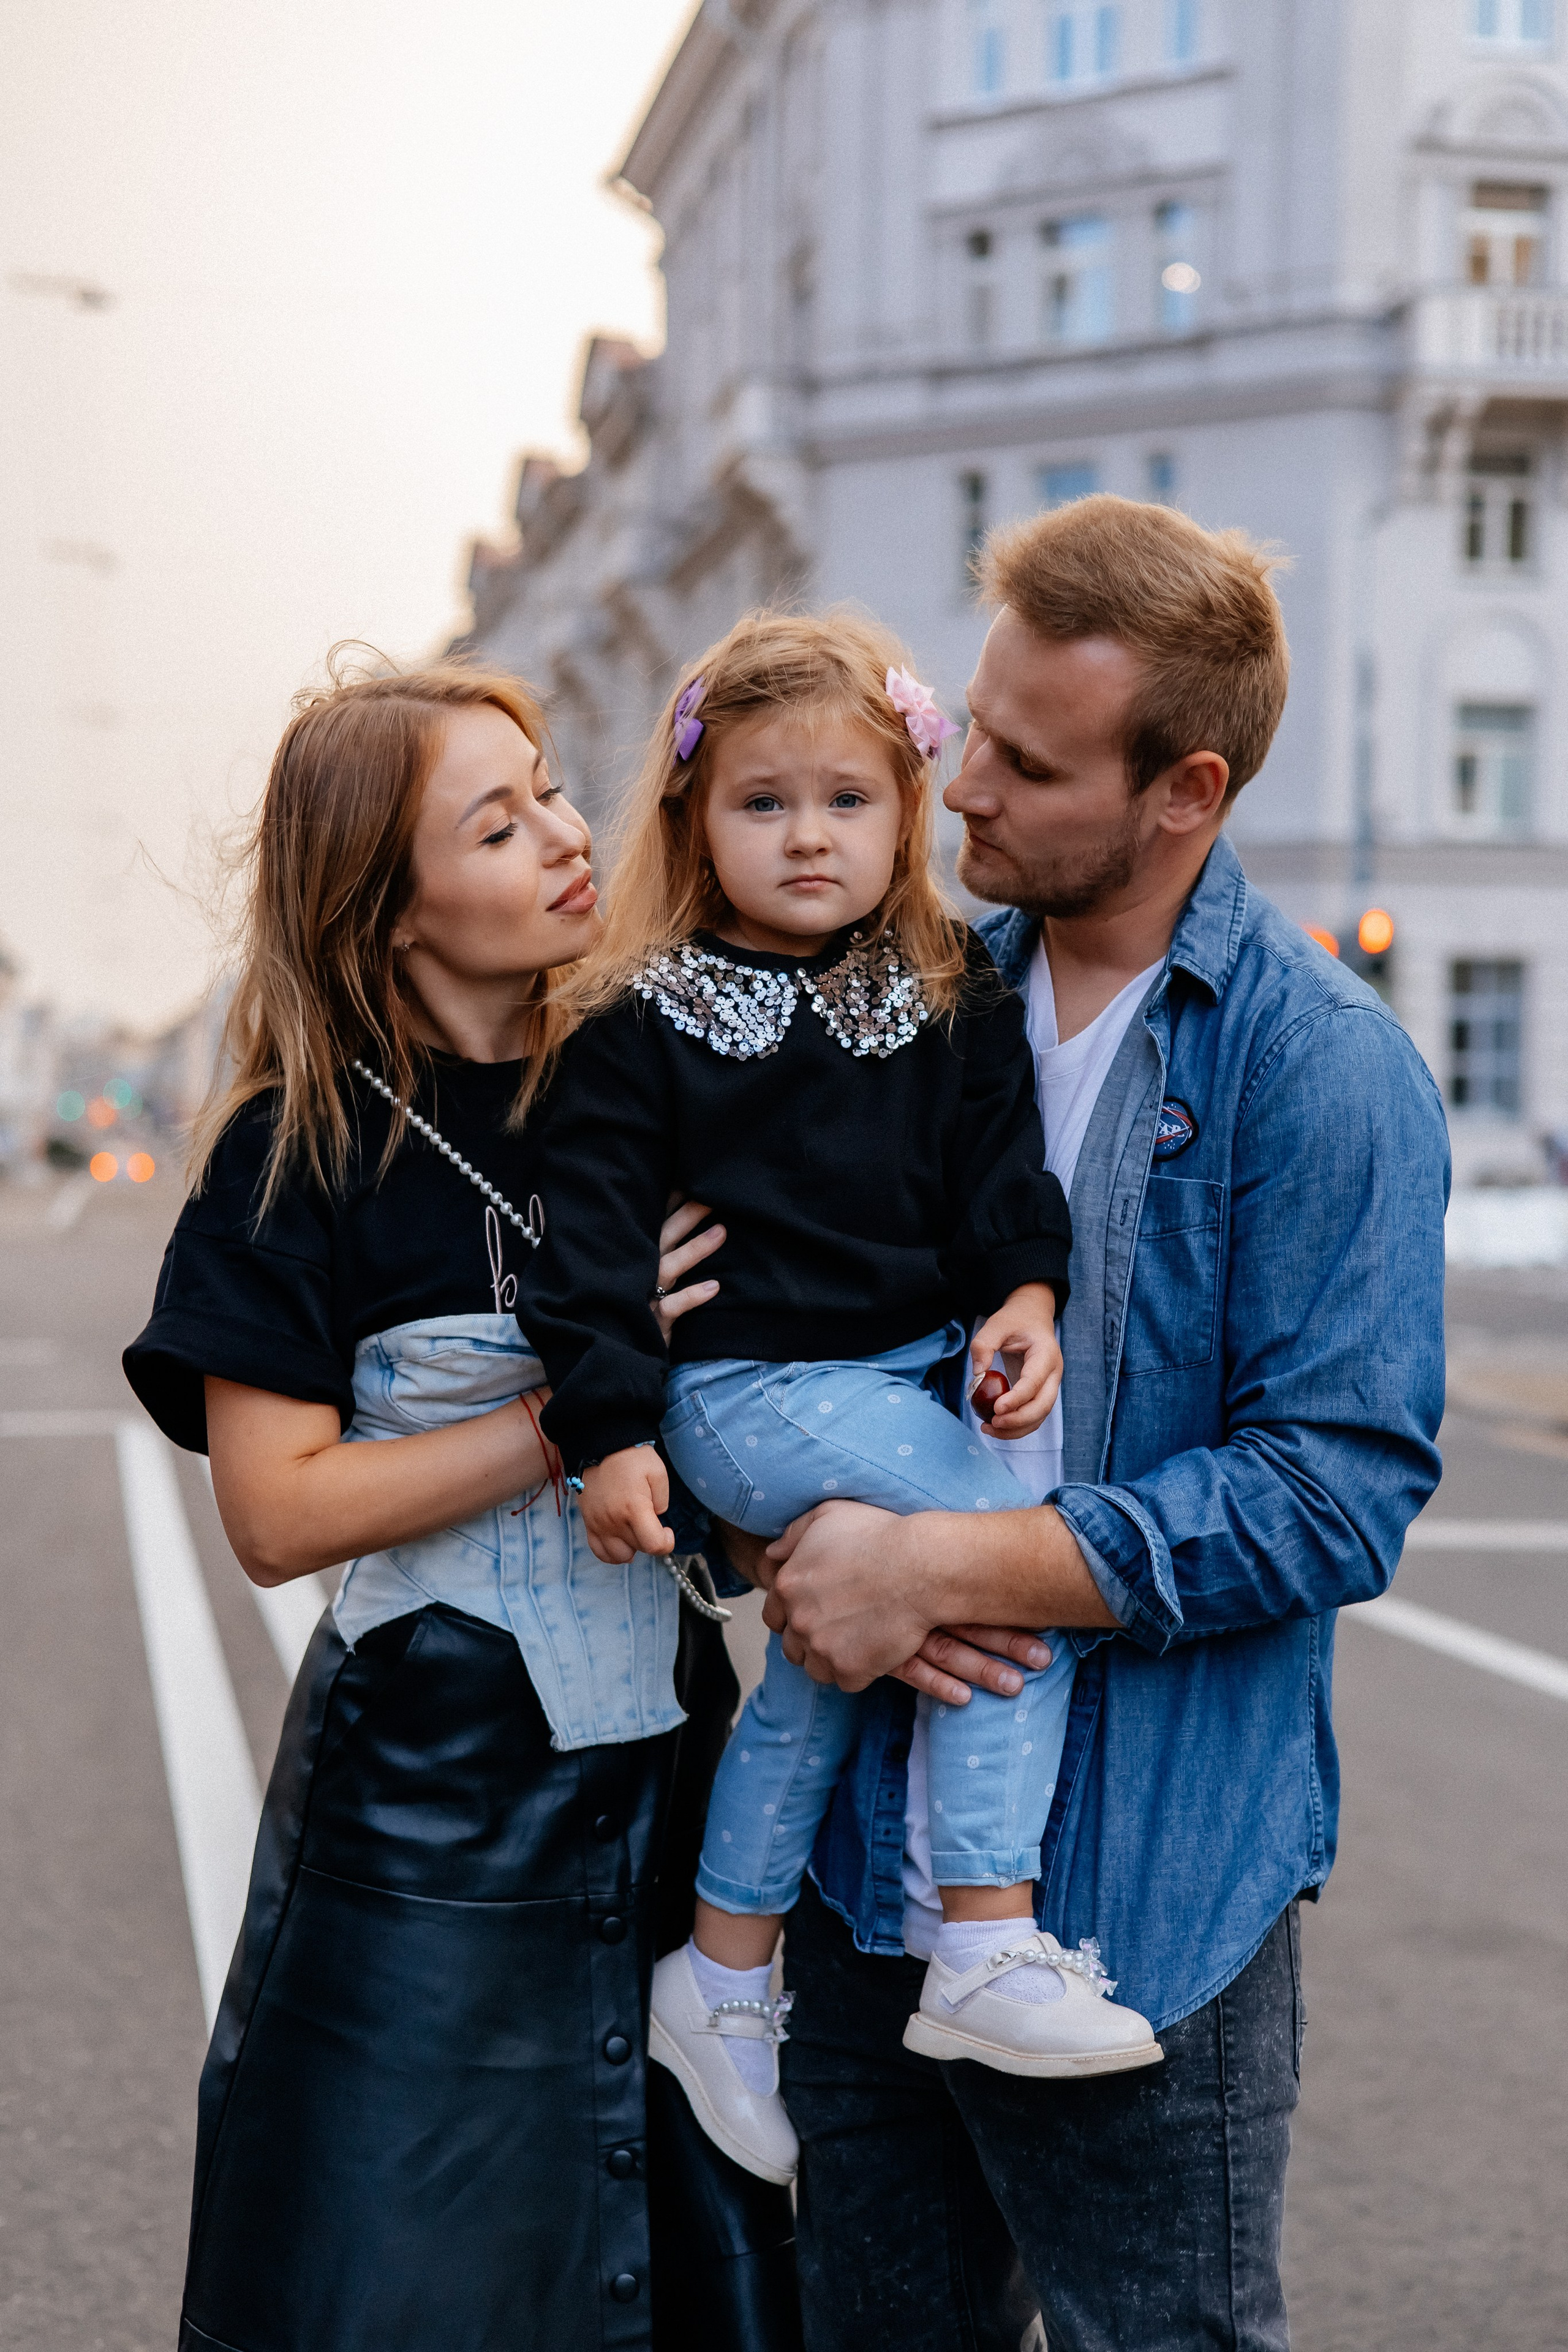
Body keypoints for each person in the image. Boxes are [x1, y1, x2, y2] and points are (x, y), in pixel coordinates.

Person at [735, 497, 1449, 2352]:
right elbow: (797, 1358)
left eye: (1028, 763)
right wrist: (772, 1521)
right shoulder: (901, 1003)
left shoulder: (1316, 1061)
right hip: (866, 1879)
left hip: (1142, 1915)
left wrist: (931, 1566)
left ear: (1183, 792)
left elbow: (1332, 1495)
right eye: (972, 725)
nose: (958, 789)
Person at [123, 661, 802, 2352]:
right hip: (425, 1796)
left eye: (552, 792)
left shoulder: (649, 1091)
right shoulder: (300, 1151)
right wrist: (577, 1394)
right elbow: (278, 1515)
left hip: (670, 1756)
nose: (568, 838)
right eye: (496, 825)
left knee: (711, 2231)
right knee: (406, 2257)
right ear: (388, 905)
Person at [519, 611, 1160, 2188]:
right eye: (762, 802)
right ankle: (986, 1935)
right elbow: (586, 1249)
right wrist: (609, 1431)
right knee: (1015, 1537)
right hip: (743, 1394)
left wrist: (1021, 1299)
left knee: (835, 1648)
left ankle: (723, 1973)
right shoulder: (636, 1020)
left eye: (846, 801)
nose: (808, 835)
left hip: (900, 1384)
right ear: (694, 817)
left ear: (905, 811)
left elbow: (1001, 1185)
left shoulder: (947, 997)